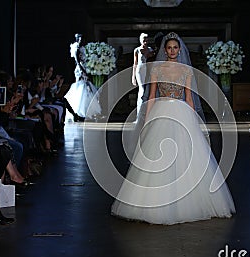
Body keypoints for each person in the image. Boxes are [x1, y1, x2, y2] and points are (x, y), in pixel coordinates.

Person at [111, 32, 235, 225]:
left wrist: (194, 120)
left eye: (175, 48)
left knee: (185, 156)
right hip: (161, 111)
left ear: (179, 50)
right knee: (158, 157)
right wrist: (146, 120)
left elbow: (189, 98)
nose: (172, 51)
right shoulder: (156, 69)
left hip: (182, 112)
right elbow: (151, 96)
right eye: (169, 47)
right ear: (164, 49)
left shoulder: (186, 71)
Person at [64, 33, 101, 121]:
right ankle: (79, 111)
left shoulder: (83, 48)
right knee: (81, 87)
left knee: (87, 90)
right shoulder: (76, 49)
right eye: (79, 38)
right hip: (80, 70)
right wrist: (83, 71)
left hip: (84, 67)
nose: (81, 40)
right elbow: (77, 62)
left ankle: (88, 111)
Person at [131, 33, 155, 122]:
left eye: (146, 39)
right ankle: (139, 116)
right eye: (143, 39)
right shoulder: (136, 50)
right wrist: (133, 77)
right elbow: (135, 64)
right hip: (140, 70)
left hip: (148, 70)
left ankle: (147, 115)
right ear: (140, 40)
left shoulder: (150, 50)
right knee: (142, 91)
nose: (145, 41)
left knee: (148, 91)